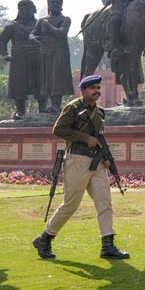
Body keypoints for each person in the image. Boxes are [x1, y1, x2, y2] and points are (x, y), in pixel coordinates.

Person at [32, 75, 129, 260]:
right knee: (71, 204)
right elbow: (58, 130)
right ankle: (45, 238)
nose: (96, 90)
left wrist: (107, 158)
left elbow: (100, 137)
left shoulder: (100, 112)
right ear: (83, 90)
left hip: (97, 162)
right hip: (77, 159)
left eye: (98, 87)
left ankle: (108, 245)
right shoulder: (73, 108)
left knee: (104, 202)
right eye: (92, 88)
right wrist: (86, 139)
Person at [0, 0, 43, 119]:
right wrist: (5, 55)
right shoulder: (12, 26)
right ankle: (20, 112)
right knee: (19, 87)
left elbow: (48, 39)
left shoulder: (40, 25)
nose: (24, 11)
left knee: (40, 85)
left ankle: (43, 111)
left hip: (37, 58)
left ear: (33, 10)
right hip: (18, 60)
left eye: (27, 8)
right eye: (21, 8)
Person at [30, 0, 74, 113]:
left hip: (59, 52)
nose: (55, 4)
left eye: (57, 3)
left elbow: (61, 33)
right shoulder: (42, 20)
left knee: (57, 78)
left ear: (61, 6)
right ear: (49, 4)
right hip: (45, 52)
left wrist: (48, 25)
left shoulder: (65, 19)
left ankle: (56, 105)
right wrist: (33, 38)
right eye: (52, 2)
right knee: (47, 79)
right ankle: (51, 105)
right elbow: (32, 33)